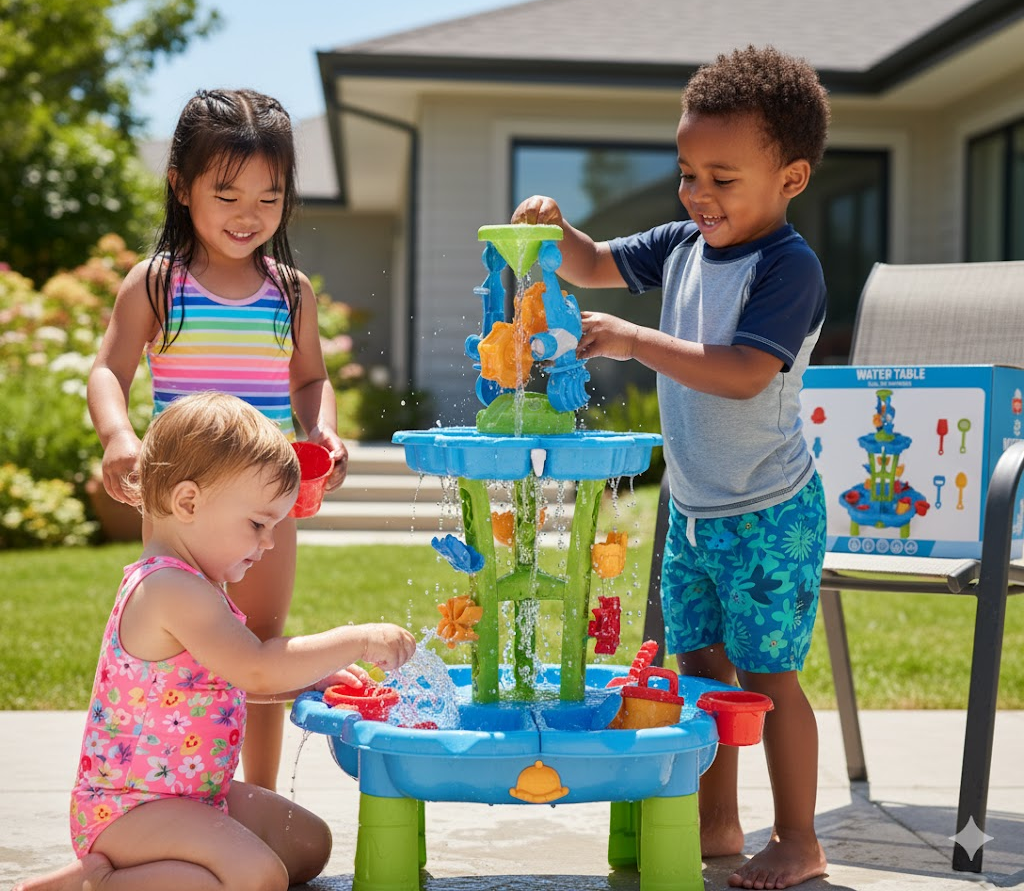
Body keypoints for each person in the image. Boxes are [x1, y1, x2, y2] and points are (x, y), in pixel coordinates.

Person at [513, 45, 831, 890]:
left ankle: (799, 838)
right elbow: (592, 264)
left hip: (768, 511)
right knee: (699, 673)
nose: (699, 194)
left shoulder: (788, 267)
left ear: (790, 179)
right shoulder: (684, 244)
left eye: (723, 179)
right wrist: (554, 230)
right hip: (691, 511)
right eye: (688, 174)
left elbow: (744, 372)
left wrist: (633, 339)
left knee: (767, 678)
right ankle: (716, 821)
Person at [15, 392, 417, 891]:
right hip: (131, 809)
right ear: (188, 502)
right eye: (258, 523)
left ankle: (141, 874)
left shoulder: (198, 585)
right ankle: (94, 882)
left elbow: (230, 680)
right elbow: (256, 667)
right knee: (257, 877)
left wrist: (309, 679)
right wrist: (357, 639)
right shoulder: (170, 587)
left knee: (307, 844)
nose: (268, 542)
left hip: (193, 795)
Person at [87, 88, 349, 792]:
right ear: (181, 186)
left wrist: (321, 428)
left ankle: (256, 797)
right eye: (227, 195)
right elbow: (108, 371)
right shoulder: (158, 284)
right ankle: (170, 788)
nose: (248, 215)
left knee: (262, 646)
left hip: (265, 503)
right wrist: (118, 436)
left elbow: (310, 379)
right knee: (182, 649)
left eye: (269, 198)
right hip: (184, 499)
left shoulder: (289, 292)